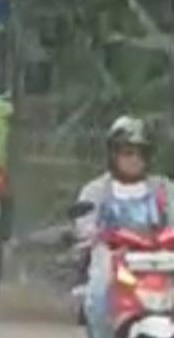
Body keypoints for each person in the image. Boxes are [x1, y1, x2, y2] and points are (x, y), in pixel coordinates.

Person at [75, 115, 173, 338]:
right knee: (100, 288)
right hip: (115, 258)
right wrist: (94, 235)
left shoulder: (163, 188)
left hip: (160, 260)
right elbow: (85, 225)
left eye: (140, 153)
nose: (134, 160)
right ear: (113, 154)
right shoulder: (96, 190)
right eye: (127, 153)